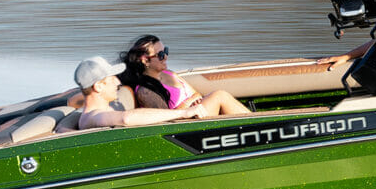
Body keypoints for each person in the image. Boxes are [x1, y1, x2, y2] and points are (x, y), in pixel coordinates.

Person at [73, 56, 250, 129]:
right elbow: (126, 118)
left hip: (165, 135)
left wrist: (63, 129)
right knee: (219, 96)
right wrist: (184, 112)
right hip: (169, 138)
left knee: (218, 96)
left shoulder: (92, 114)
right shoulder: (95, 116)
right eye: (111, 78)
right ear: (98, 86)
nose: (117, 82)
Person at [120, 34, 252, 116]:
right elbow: (166, 119)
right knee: (219, 96)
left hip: (197, 112)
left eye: (166, 51)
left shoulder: (170, 74)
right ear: (145, 60)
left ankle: (254, 122)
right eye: (160, 54)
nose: (165, 57)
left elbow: (196, 93)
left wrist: (196, 101)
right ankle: (256, 124)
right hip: (185, 123)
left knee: (219, 95)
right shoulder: (146, 91)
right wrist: (190, 104)